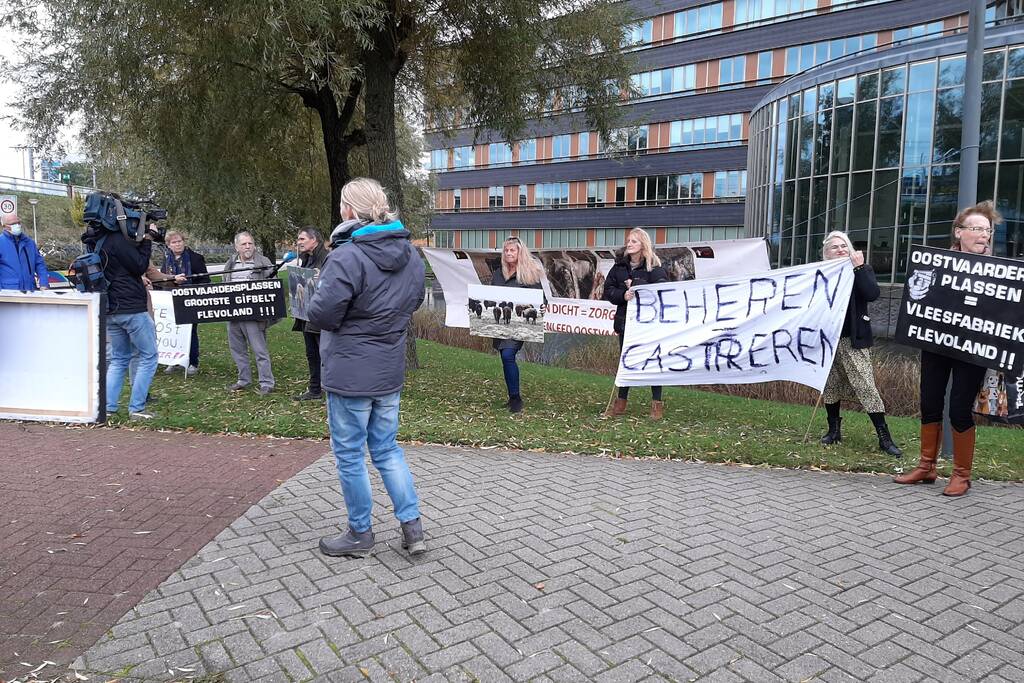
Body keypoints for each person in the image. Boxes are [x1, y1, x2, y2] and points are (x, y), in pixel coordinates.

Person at [306, 178, 426, 558]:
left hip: (350, 371)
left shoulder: (346, 256)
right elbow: (414, 300)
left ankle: (360, 532)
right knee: (387, 449)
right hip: (388, 367)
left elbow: (323, 313)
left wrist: (315, 297)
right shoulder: (411, 255)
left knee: (350, 454)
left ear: (347, 210)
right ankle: (412, 527)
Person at [895, 201, 1001, 497]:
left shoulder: (1001, 272)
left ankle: (961, 475)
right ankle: (927, 466)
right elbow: (919, 299)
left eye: (987, 230)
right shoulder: (935, 264)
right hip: (937, 343)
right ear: (959, 232)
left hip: (973, 349)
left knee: (958, 409)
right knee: (929, 401)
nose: (984, 235)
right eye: (977, 229)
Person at [818, 231, 902, 456]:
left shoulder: (860, 270)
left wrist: (859, 268)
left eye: (844, 246)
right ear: (826, 254)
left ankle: (884, 437)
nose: (841, 250)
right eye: (835, 247)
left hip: (853, 339)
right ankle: (834, 430)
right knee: (831, 385)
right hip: (829, 340)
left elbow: (872, 294)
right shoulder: (820, 275)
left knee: (865, 385)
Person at [602, 228, 669, 419]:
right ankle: (620, 402)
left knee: (653, 361)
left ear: (643, 245)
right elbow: (608, 290)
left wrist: (637, 285)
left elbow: (662, 288)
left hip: (648, 323)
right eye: (628, 241)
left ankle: (657, 404)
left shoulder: (654, 267)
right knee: (626, 361)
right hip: (626, 322)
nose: (629, 244)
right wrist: (623, 295)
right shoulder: (619, 267)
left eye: (634, 241)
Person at [100, 222, 160, 419]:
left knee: (118, 359)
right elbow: (140, 265)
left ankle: (108, 408)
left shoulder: (97, 239)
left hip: (110, 307)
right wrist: (147, 240)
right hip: (131, 308)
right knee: (149, 356)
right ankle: (137, 408)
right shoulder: (119, 240)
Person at [491, 236, 544, 414]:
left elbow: (540, 301)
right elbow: (491, 296)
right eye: (506, 250)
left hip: (519, 325)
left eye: (512, 250)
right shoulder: (498, 274)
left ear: (520, 252)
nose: (508, 253)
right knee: (505, 359)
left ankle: (516, 399)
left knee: (508, 355)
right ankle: (512, 395)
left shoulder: (529, 274)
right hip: (500, 325)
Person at [223, 231, 276, 395]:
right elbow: (224, 284)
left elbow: (273, 286)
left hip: (253, 314)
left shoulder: (263, 262)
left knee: (259, 350)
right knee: (237, 348)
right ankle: (243, 379)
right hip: (233, 313)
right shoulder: (231, 262)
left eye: (250, 243)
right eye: (244, 244)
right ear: (236, 246)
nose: (248, 247)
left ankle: (267, 383)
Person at [159, 230, 210, 376]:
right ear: (169, 245)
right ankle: (174, 361)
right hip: (172, 300)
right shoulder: (167, 260)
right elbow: (163, 278)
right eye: (174, 242)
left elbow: (205, 280)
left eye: (179, 241)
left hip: (191, 299)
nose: (177, 244)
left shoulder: (196, 258)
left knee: (191, 331)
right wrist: (173, 280)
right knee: (174, 331)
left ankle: (193, 362)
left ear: (184, 241)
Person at [292, 227, 329, 401]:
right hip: (306, 314)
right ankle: (315, 389)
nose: (299, 242)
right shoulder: (306, 259)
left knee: (326, 355)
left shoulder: (327, 258)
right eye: (298, 239)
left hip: (321, 315)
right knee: (311, 353)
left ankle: (331, 390)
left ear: (314, 240)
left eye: (302, 239)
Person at [0, 212, 49, 291]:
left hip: (30, 291)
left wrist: (44, 283)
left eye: (18, 222)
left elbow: (40, 264)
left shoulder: (29, 242)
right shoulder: (1, 243)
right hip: (8, 293)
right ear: (4, 226)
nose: (17, 225)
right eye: (13, 223)